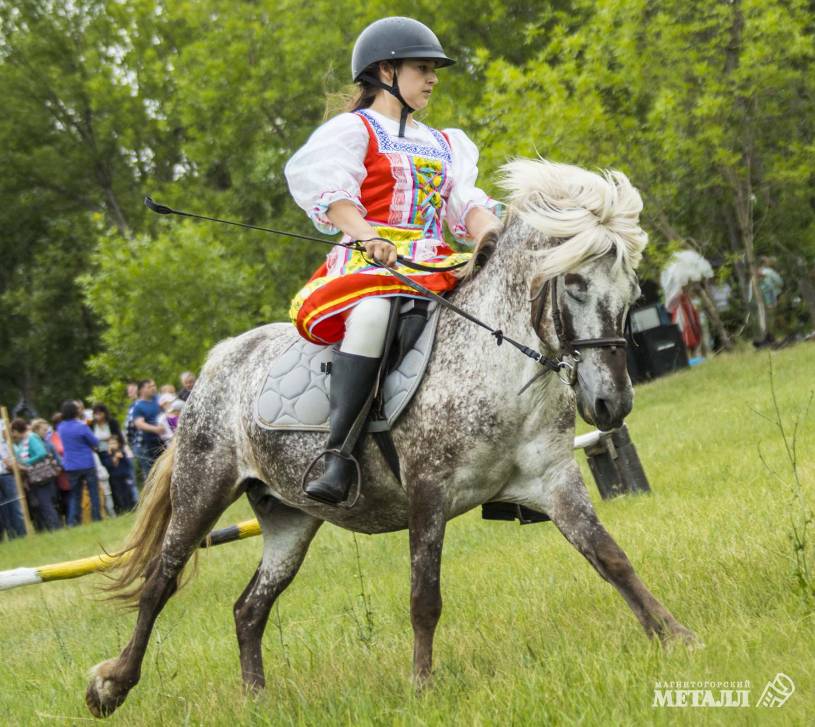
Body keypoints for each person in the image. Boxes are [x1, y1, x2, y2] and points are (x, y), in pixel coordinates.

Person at [284, 17, 501, 505]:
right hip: (371, 263)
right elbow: (330, 192)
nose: (433, 79)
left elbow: (465, 205)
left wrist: (491, 234)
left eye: (433, 70)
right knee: (373, 314)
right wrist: (368, 235)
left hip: (435, 261)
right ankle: (339, 456)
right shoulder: (354, 130)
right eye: (422, 68)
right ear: (385, 71)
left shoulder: (445, 143)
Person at [10, 418, 62, 531]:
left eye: (13, 432)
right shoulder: (23, 441)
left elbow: (41, 453)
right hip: (34, 478)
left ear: (17, 430)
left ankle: (56, 527)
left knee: (46, 503)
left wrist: (25, 463)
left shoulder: (31, 438)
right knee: (42, 504)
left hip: (41, 476)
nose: (12, 435)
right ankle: (51, 528)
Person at [58, 400, 102, 525]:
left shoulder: (61, 427)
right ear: (75, 411)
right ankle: (96, 517)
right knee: (93, 492)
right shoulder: (81, 426)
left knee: (75, 495)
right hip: (86, 462)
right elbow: (94, 441)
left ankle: (73, 521)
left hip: (71, 465)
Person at [131, 379, 165, 477]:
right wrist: (156, 429)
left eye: (154, 385)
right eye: (149, 386)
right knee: (151, 474)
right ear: (141, 390)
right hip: (147, 445)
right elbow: (139, 423)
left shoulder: (158, 400)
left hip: (162, 442)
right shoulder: (138, 406)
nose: (153, 388)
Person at [0, 421, 27, 539]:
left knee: (14, 505)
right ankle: (12, 535)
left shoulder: (2, 424)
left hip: (6, 473)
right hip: (5, 472)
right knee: (4, 508)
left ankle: (21, 534)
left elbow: (8, 458)